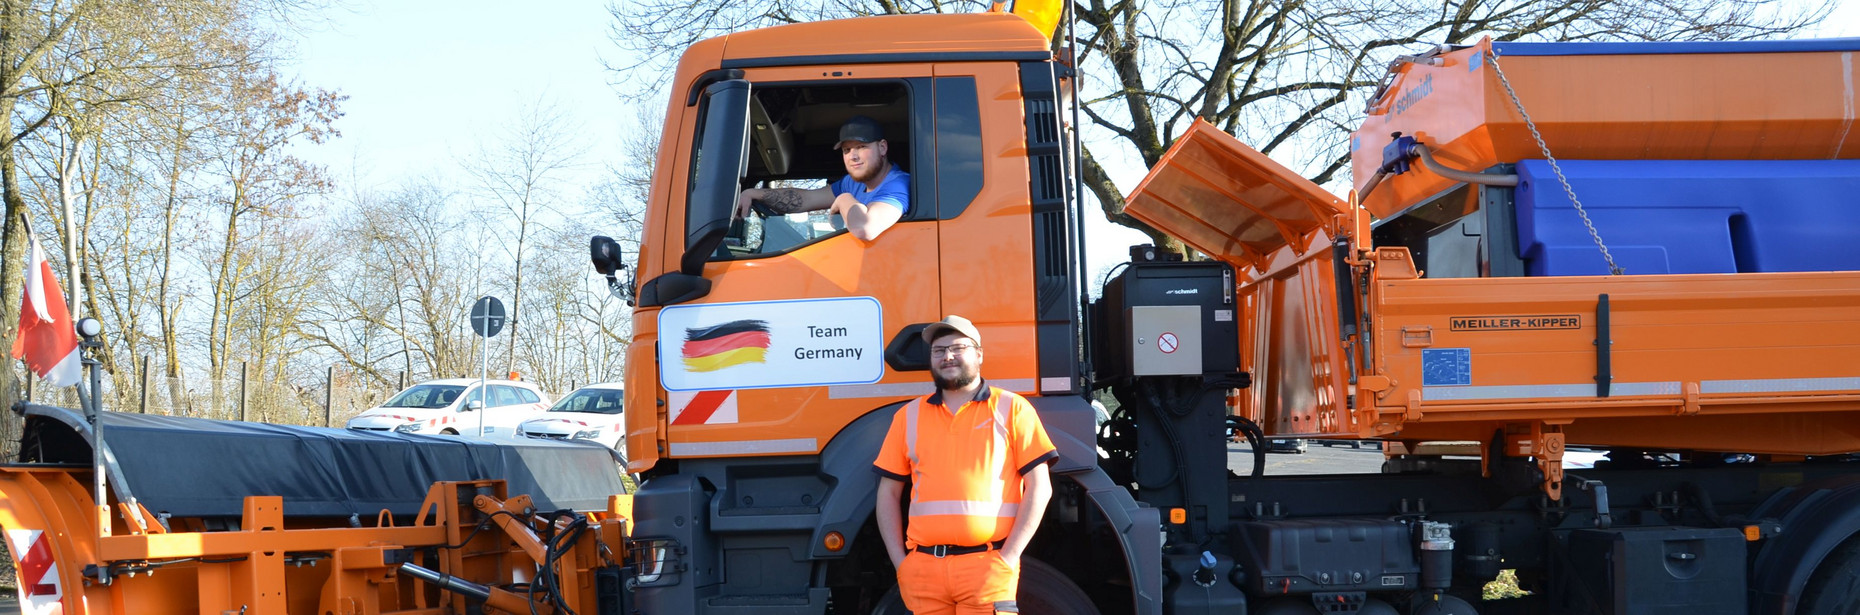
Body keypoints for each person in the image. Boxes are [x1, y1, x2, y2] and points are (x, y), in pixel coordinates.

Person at [872, 315, 1058, 614]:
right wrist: (901, 563)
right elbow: (888, 493)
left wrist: (1009, 557)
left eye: (958, 348)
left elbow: (1040, 486)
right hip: (923, 571)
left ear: (979, 354)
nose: (947, 356)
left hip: (988, 568)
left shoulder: (1012, 408)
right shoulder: (908, 416)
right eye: (938, 350)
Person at [735, 115, 910, 241]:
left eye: (861, 146)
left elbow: (865, 228)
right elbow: (805, 199)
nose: (852, 156)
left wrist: (843, 199)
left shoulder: (898, 184)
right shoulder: (853, 183)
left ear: (882, 148)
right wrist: (753, 193)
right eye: (846, 150)